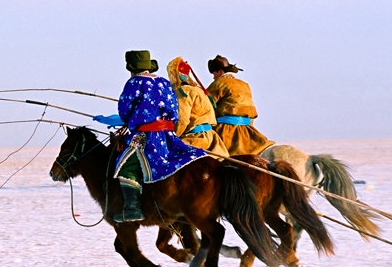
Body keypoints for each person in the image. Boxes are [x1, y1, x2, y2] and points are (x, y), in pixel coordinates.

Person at [111, 50, 207, 223]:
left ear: (131, 69)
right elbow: (175, 112)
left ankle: (132, 209)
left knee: (126, 164)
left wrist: (131, 120)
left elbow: (124, 110)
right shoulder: (163, 82)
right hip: (167, 135)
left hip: (146, 136)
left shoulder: (134, 82)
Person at [207, 55, 274, 156]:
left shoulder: (219, 83)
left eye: (214, 73)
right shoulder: (245, 84)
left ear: (220, 71)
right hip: (247, 130)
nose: (213, 77)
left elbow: (205, 106)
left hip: (225, 130)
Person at [166, 57, 229, 158]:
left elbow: (182, 120)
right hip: (212, 138)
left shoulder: (184, 92)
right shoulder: (199, 90)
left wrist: (173, 137)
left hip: (195, 138)